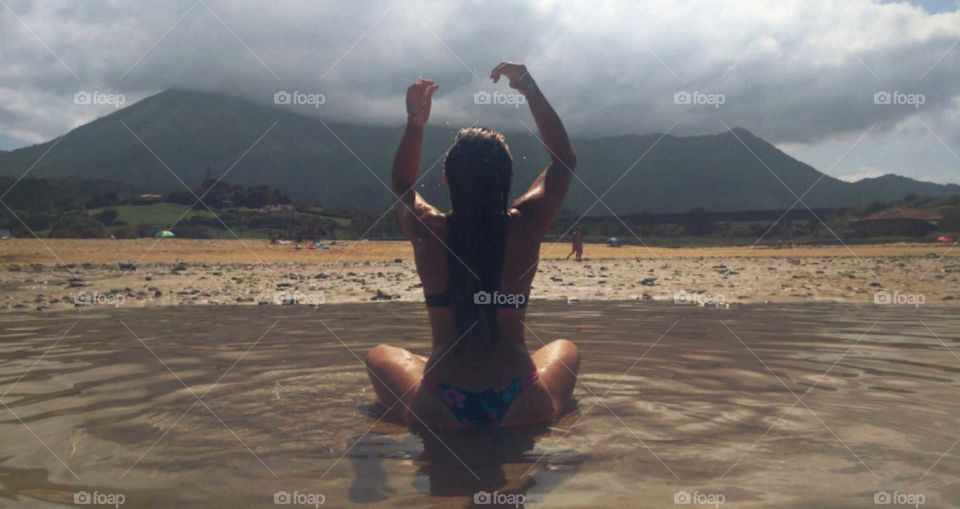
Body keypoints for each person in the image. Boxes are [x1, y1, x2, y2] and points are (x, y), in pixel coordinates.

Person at [365, 62, 580, 428]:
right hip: (522, 400)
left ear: (447, 178)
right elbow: (563, 161)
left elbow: (402, 185)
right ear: (508, 179)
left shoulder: (428, 230)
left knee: (377, 354)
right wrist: (529, 87)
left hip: (440, 403)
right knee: (565, 349)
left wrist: (415, 123)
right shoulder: (525, 226)